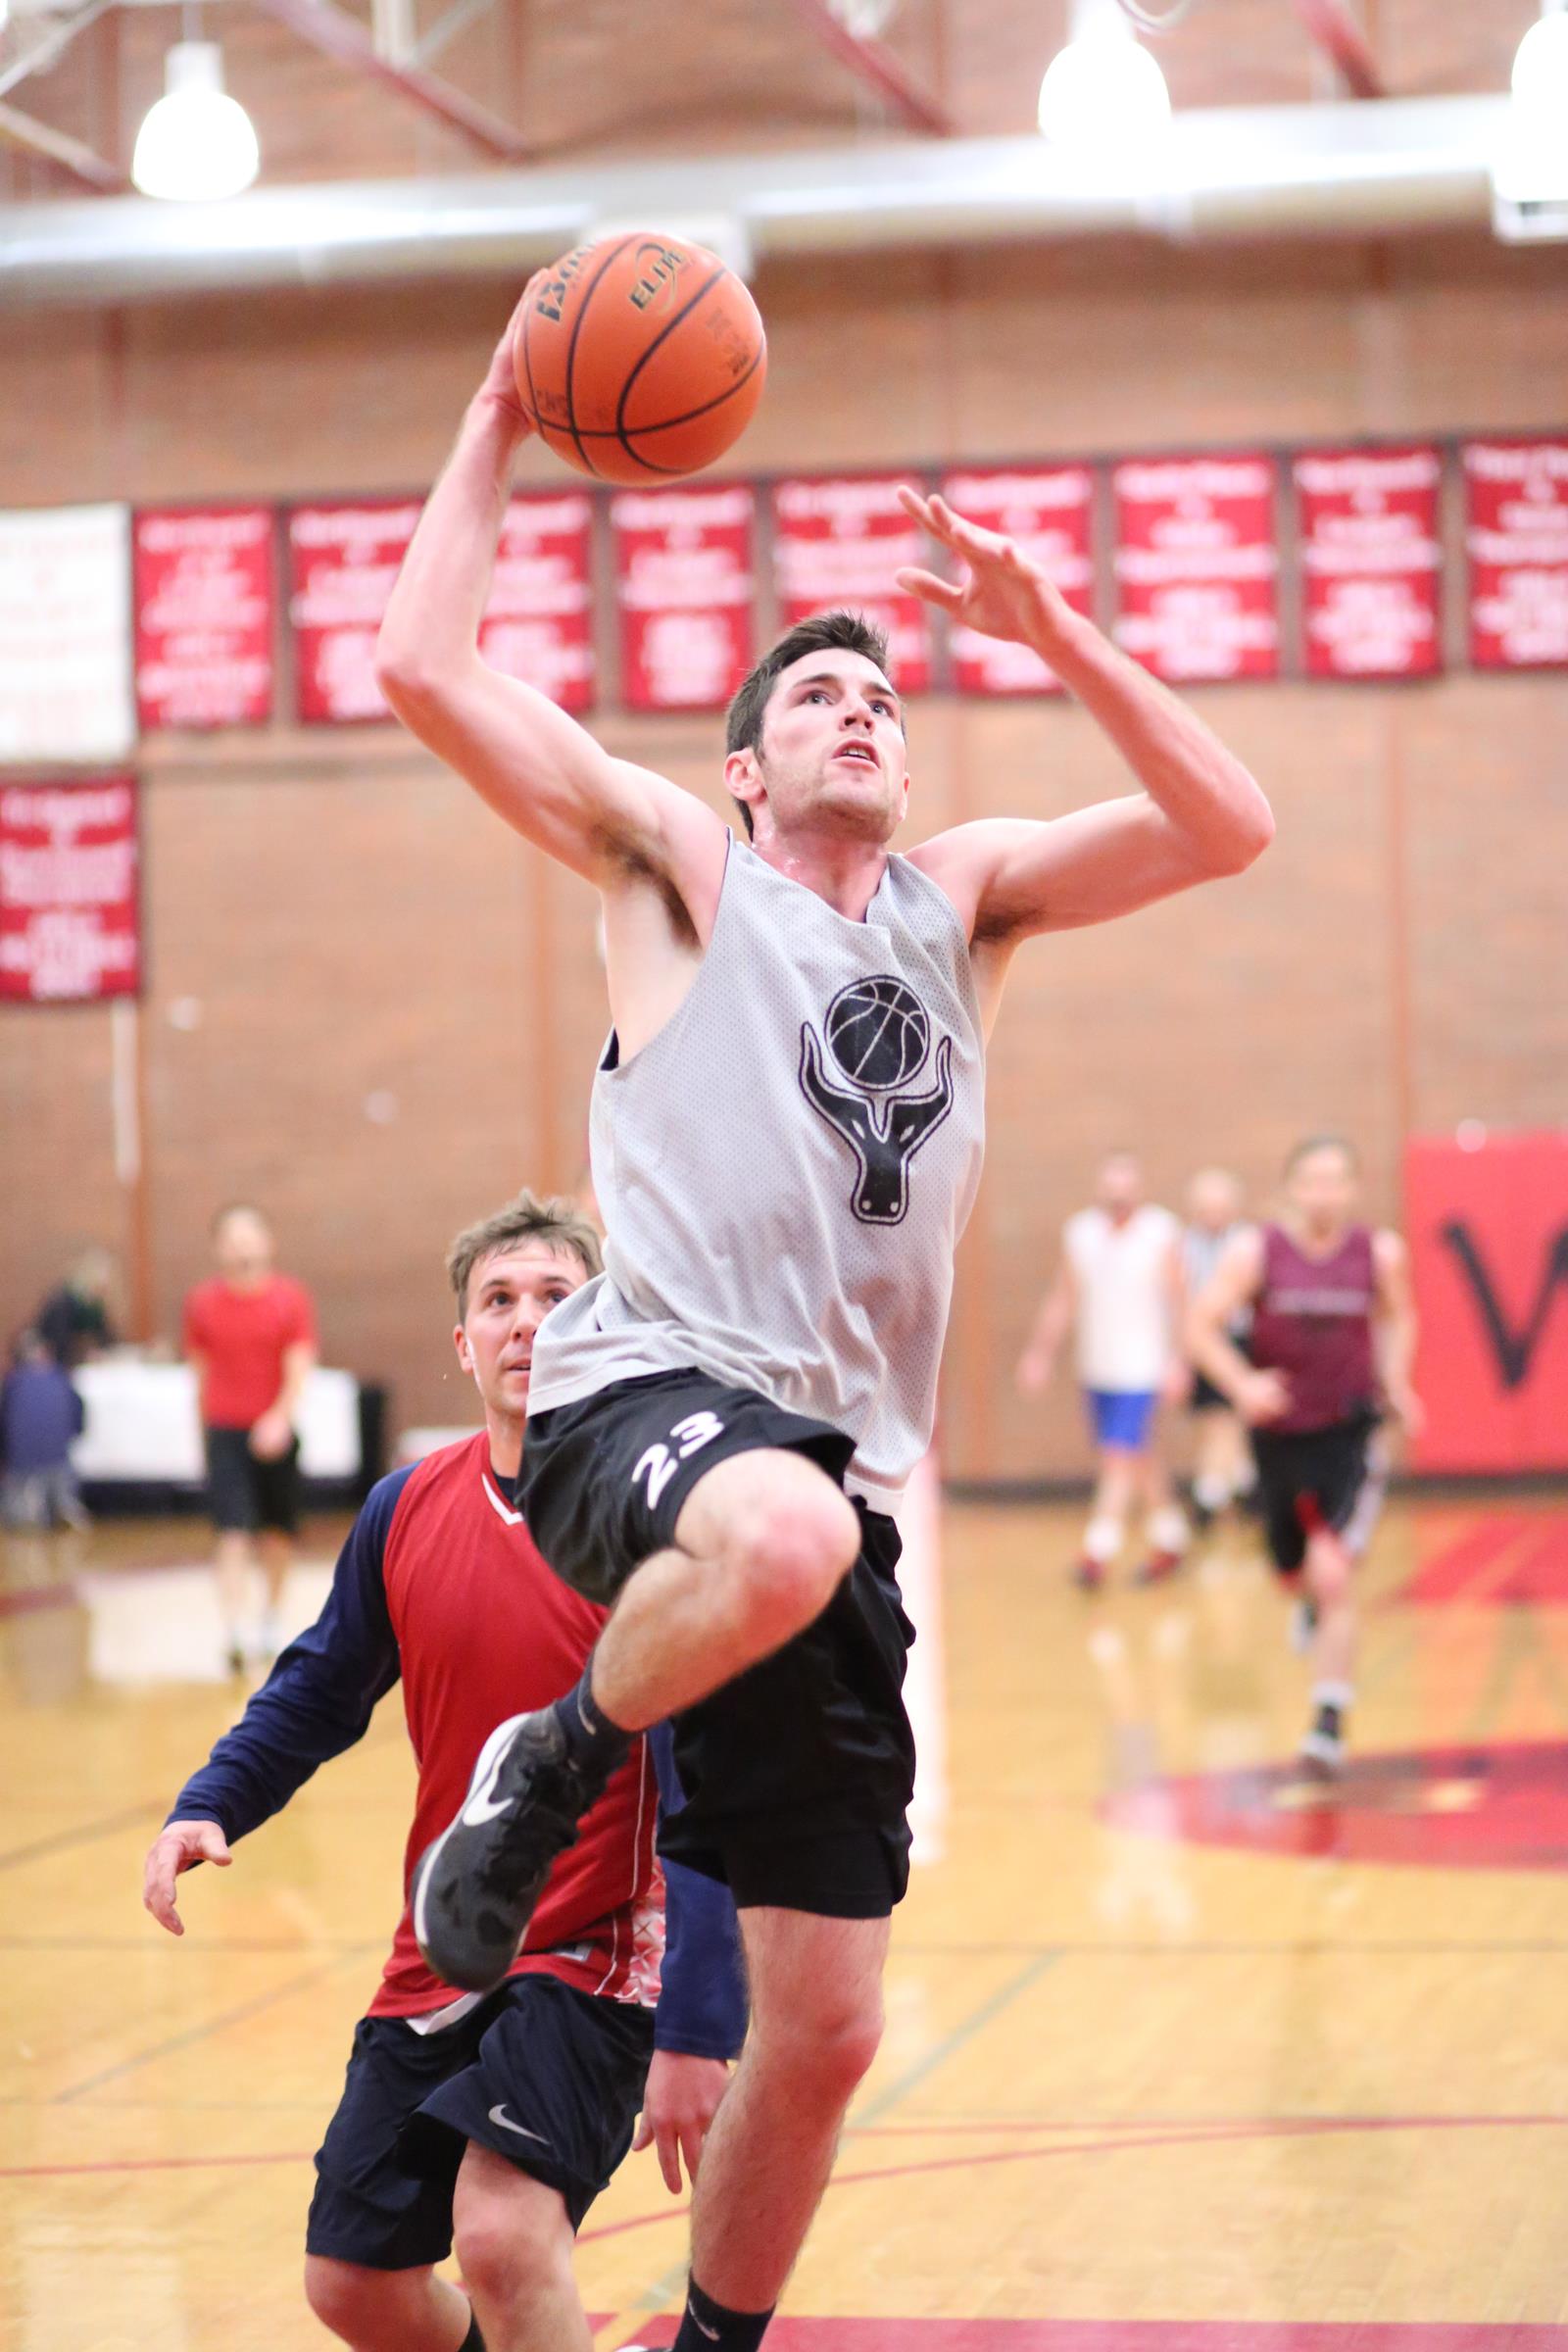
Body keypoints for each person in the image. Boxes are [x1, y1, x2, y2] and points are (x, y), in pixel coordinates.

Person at [373, 286, 1273, 2352]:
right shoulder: (682, 873)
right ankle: (548, 1763)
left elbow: (1228, 827)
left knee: (833, 2017)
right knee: (771, 1523)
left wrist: (1053, 630)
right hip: (643, 1412)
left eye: (882, 692)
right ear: (744, 768)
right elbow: (421, 668)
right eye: (817, 698)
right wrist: (502, 407)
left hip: (829, 1489)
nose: (861, 709)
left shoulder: (966, 901)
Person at [143, 1191, 745, 2352]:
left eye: (556, 1298)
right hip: (444, 1948)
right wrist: (211, 1802)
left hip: (599, 1951)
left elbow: (709, 1789)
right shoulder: (404, 1507)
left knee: (505, 2238)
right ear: (463, 1345)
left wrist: (698, 2024)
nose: (525, 1322)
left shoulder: (651, 1521)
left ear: (603, 1329)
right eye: (498, 1301)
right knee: (352, 2283)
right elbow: (320, 1686)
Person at [1187, 1134, 1422, 1773]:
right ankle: (1307, 1600)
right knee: (1291, 1572)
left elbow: (1401, 1316)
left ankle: (1328, 1718)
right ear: (1292, 1188)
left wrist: (1397, 1380)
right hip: (1279, 1434)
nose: (1324, 1193)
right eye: (1312, 1180)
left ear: (1353, 1188)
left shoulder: (1378, 1252)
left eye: (1336, 1180)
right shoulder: (1256, 1252)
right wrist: (1243, 1384)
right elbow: (1199, 1325)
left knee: (1334, 1569)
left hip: (1349, 1432)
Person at [1016, 1152, 1191, 1589]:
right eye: (1111, 1191)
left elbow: (1179, 1302)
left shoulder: (1161, 1232)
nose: (1119, 1199)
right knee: (1139, 1457)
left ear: (1140, 1191)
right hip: (1098, 1366)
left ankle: (1097, 1551)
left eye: (1126, 1191)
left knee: (1118, 1456)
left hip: (1144, 1366)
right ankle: (1172, 1540)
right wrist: (1040, 1353)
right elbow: (1064, 1297)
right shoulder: (1081, 1233)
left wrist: (1179, 1360)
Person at [182, 1203, 318, 1671]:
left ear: (268, 1242)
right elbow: (199, 1373)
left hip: (275, 1431)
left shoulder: (290, 1298)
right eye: (232, 1239)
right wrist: (200, 1434)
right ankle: (233, 1629)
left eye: (249, 1236)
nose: (241, 1247)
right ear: (218, 1248)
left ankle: (271, 1619)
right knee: (232, 1532)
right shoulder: (202, 1303)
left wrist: (279, 1418)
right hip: (225, 1431)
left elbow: (299, 1365)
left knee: (277, 1534)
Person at [1180, 1166, 1256, 1528]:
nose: (1213, 1215)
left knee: (1240, 1415)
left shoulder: (1247, 1243)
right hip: (1202, 1337)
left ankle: (1225, 1487)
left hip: (1242, 1337)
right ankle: (1223, 1487)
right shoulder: (1184, 1246)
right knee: (1214, 1417)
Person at [0, 1328, 86, 1531]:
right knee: (62, 1480)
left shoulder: (13, 1383)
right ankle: (63, 1505)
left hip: (22, 1464)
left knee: (18, 1498)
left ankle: (29, 1511)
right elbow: (78, 1421)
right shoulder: (61, 1378)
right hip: (59, 1460)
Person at [34, 1244, 118, 1370]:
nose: (106, 1280)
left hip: (67, 1358)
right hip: (46, 1358)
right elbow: (59, 1342)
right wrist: (84, 1357)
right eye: (102, 1273)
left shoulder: (93, 1304)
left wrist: (109, 1351)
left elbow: (106, 1336)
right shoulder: (65, 1299)